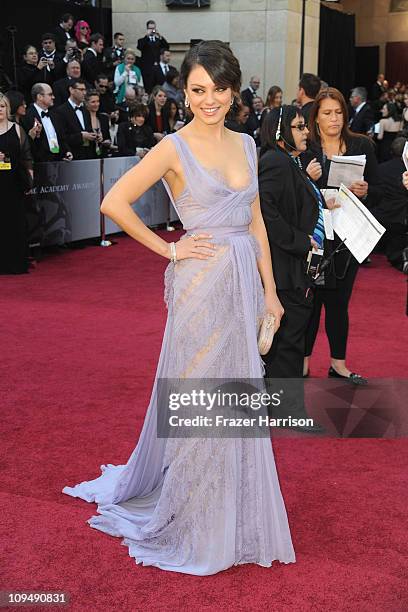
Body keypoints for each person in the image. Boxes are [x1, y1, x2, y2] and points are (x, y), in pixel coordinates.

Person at [62, 39, 295, 576]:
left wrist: (271, 292)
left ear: (233, 90)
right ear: (184, 91)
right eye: (196, 90)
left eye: (216, 89)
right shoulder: (172, 146)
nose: (207, 100)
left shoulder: (246, 145)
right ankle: (195, 517)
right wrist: (169, 248)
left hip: (242, 283)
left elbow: (255, 222)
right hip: (199, 283)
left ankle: (230, 511)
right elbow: (113, 202)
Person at [302, 87, 380, 384]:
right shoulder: (305, 149)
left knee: (339, 302)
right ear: (316, 118)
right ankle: (304, 363)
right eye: (327, 113)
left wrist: (367, 190)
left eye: (338, 112)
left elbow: (380, 190)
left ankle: (338, 364)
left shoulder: (362, 145)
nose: (334, 118)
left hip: (349, 236)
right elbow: (292, 195)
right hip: (315, 235)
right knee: (310, 302)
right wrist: (308, 182)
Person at [258, 105, 326, 433]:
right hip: (284, 265)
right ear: (281, 130)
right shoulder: (275, 161)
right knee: (288, 340)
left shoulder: (289, 161)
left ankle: (282, 407)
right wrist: (300, 241)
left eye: (304, 126)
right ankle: (287, 411)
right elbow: (265, 213)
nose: (305, 132)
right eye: (298, 127)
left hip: (292, 263)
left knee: (289, 337)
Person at [0, 93, 33, 274]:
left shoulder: (17, 129)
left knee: (15, 223)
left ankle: (16, 263)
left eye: (2, 106)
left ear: (8, 108)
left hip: (14, 184)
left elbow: (26, 157)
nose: (0, 110)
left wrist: (29, 181)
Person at [23, 83, 72, 162]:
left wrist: (67, 151)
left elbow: (61, 138)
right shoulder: (27, 115)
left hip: (58, 160)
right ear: (40, 97)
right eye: (50, 94)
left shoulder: (55, 115)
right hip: (39, 162)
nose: (53, 97)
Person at [56, 79, 95, 159]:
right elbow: (62, 137)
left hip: (88, 155)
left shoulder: (85, 110)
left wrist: (95, 136)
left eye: (85, 90)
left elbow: (88, 130)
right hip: (72, 156)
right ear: (71, 90)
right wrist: (81, 136)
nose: (84, 93)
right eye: (81, 90)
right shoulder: (61, 111)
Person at [137, 19, 169, 93]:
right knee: (148, 89)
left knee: (158, 88)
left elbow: (166, 47)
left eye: (153, 28)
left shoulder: (158, 40)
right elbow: (140, 47)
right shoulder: (142, 40)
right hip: (147, 69)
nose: (152, 30)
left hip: (157, 68)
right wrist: (147, 36)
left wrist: (160, 36)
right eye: (150, 28)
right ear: (147, 29)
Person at [84, 90, 111, 158]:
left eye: (98, 101)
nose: (96, 104)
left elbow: (108, 137)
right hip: (87, 155)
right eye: (93, 102)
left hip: (102, 155)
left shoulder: (104, 118)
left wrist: (106, 141)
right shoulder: (82, 118)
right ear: (86, 103)